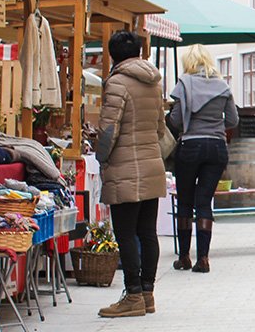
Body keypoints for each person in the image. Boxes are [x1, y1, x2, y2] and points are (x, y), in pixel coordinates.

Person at [95, 30, 168, 318]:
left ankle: (133, 296)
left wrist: (101, 157)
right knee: (147, 232)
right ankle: (147, 295)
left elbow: (108, 130)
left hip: (125, 166)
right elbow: (161, 128)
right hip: (151, 164)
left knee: (125, 233)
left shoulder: (117, 82)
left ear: (112, 54)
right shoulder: (154, 82)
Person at [168, 44, 239, 273]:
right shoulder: (223, 86)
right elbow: (233, 120)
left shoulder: (183, 84)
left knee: (186, 202)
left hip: (190, 146)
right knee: (204, 202)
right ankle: (204, 259)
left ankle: (184, 257)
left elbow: (176, 121)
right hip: (217, 147)